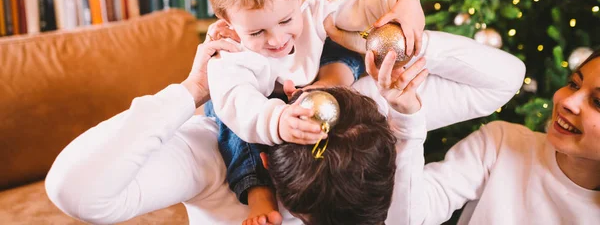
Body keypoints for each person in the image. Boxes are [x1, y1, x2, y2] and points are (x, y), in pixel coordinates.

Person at [45, 18, 525, 225]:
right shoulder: (220, 145)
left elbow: (75, 192)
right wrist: (374, 37)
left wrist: (192, 91)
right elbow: (506, 77)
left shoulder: (377, 139)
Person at [200, 0, 425, 224]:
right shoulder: (229, 50)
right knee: (228, 121)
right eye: (257, 32)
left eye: (285, 21)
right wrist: (277, 120)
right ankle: (258, 191)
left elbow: (368, 5)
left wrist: (405, 2)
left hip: (309, 80)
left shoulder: (313, 7)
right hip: (259, 102)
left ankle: (330, 80)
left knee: (343, 38)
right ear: (226, 19)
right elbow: (236, 101)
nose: (277, 39)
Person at [389, 48, 600, 225]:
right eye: (574, 84)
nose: (568, 102)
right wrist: (408, 123)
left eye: (598, 102)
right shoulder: (503, 143)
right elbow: (408, 218)